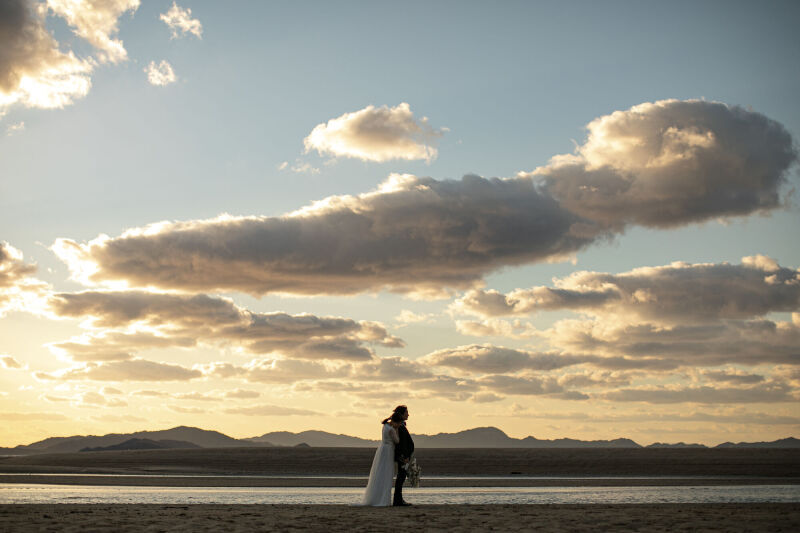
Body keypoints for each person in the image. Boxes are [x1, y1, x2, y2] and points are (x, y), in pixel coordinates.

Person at [362, 410, 401, 506]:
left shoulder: (385, 426)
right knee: (386, 473)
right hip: (388, 451)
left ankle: (375, 498)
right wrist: (397, 430)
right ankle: (382, 500)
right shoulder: (391, 429)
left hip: (382, 449)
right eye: (399, 423)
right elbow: (397, 441)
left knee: (380, 472)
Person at [392, 405, 414, 506]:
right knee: (401, 477)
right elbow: (401, 444)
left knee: (402, 477)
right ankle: (398, 500)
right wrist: (404, 456)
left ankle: (399, 499)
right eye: (406, 412)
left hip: (405, 457)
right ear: (401, 413)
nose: (408, 414)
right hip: (402, 457)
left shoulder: (401, 425)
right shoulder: (399, 427)